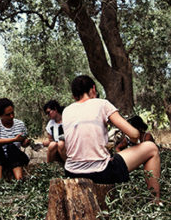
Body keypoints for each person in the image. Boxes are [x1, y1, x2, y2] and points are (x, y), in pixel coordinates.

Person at [63, 75, 161, 203]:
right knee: (151, 148)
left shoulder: (67, 111)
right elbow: (134, 134)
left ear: (74, 95)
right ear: (93, 89)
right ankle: (155, 201)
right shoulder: (102, 104)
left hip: (71, 172)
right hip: (100, 172)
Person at [0, 97, 31, 181]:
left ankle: (19, 180)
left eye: (12, 113)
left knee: (11, 148)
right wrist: (14, 139)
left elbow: (22, 143)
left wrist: (26, 142)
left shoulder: (20, 124)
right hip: (0, 158)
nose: (12, 116)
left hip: (16, 157)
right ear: (1, 115)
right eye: (8, 115)